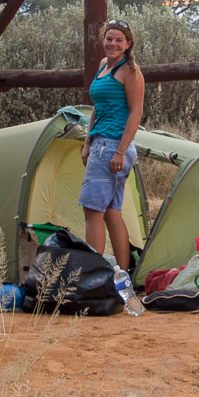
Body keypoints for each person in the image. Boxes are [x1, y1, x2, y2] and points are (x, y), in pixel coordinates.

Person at [79, 19, 144, 271]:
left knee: (92, 212)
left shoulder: (131, 71)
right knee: (111, 212)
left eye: (119, 40)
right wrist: (87, 142)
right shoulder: (103, 66)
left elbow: (135, 113)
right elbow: (99, 107)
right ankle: (122, 276)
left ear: (128, 44)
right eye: (109, 38)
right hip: (101, 143)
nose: (113, 43)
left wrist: (119, 150)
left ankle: (92, 276)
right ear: (103, 40)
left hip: (113, 147)